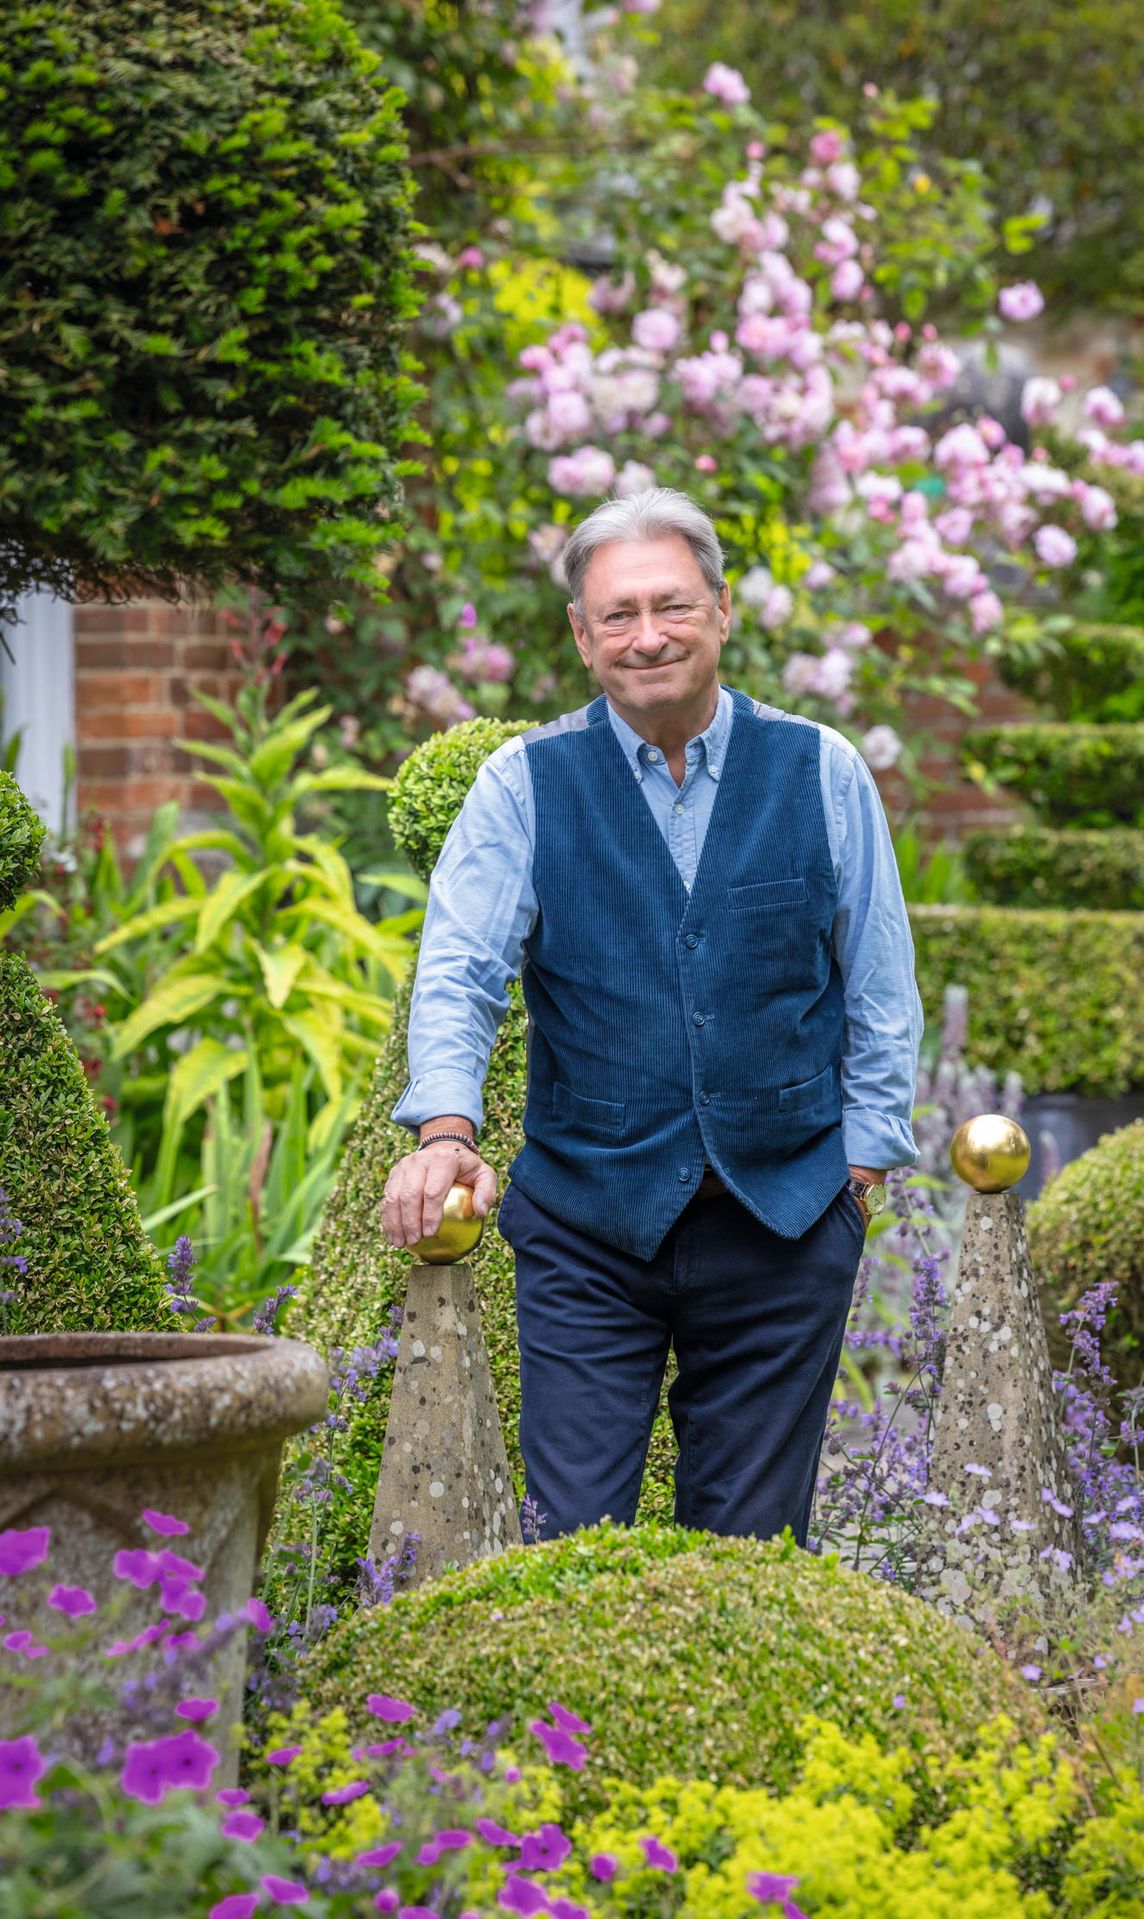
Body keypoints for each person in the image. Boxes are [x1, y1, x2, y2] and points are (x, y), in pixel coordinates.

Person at [381, 487, 922, 1546]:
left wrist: (859, 1171)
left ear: (721, 611)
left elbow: (877, 986)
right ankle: (574, 1720)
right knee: (574, 1537)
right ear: (582, 638)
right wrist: (445, 1128)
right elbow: (457, 970)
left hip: (785, 1218)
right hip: (590, 1222)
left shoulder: (820, 769)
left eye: (669, 605)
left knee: (750, 1550)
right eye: (617, 615)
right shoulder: (521, 785)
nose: (646, 635)